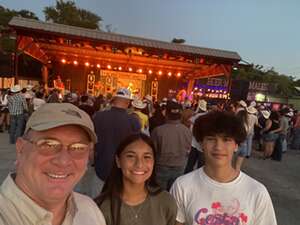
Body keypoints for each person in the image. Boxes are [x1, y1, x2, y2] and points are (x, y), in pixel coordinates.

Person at [0, 103, 106, 225]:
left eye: (78, 148)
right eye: (48, 145)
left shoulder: (89, 210)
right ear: (21, 148)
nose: (63, 161)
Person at [170, 111, 277, 225]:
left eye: (226, 140)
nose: (218, 147)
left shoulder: (257, 192)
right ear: (201, 144)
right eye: (211, 139)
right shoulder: (182, 186)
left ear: (236, 145)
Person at [95, 133, 177, 225]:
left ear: (154, 162)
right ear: (118, 161)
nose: (139, 164)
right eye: (131, 156)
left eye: (146, 157)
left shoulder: (166, 201)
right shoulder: (101, 207)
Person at [93, 88, 141, 196]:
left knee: (99, 201)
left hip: (101, 166)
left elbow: (91, 142)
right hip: (123, 169)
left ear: (114, 100)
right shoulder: (133, 121)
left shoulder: (99, 116)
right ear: (128, 103)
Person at [151, 101, 192, 190]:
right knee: (174, 193)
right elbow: (188, 149)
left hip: (161, 165)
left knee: (159, 193)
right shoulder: (187, 131)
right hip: (179, 165)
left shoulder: (158, 131)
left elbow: (153, 150)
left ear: (166, 114)